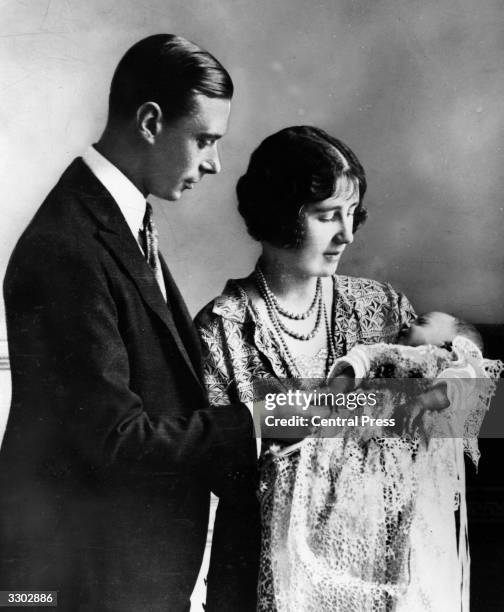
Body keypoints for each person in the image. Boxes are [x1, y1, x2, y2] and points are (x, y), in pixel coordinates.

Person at [0, 34, 258, 611]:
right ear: (149, 122)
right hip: (81, 580)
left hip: (124, 572)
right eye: (204, 140)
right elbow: (117, 439)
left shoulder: (120, 221)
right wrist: (257, 424)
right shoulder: (66, 244)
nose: (213, 163)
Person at [194, 126, 489, 611]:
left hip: (379, 574)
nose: (347, 235)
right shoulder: (221, 330)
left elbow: (461, 412)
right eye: (328, 216)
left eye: (352, 215)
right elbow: (214, 468)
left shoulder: (382, 308)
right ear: (280, 215)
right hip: (262, 574)